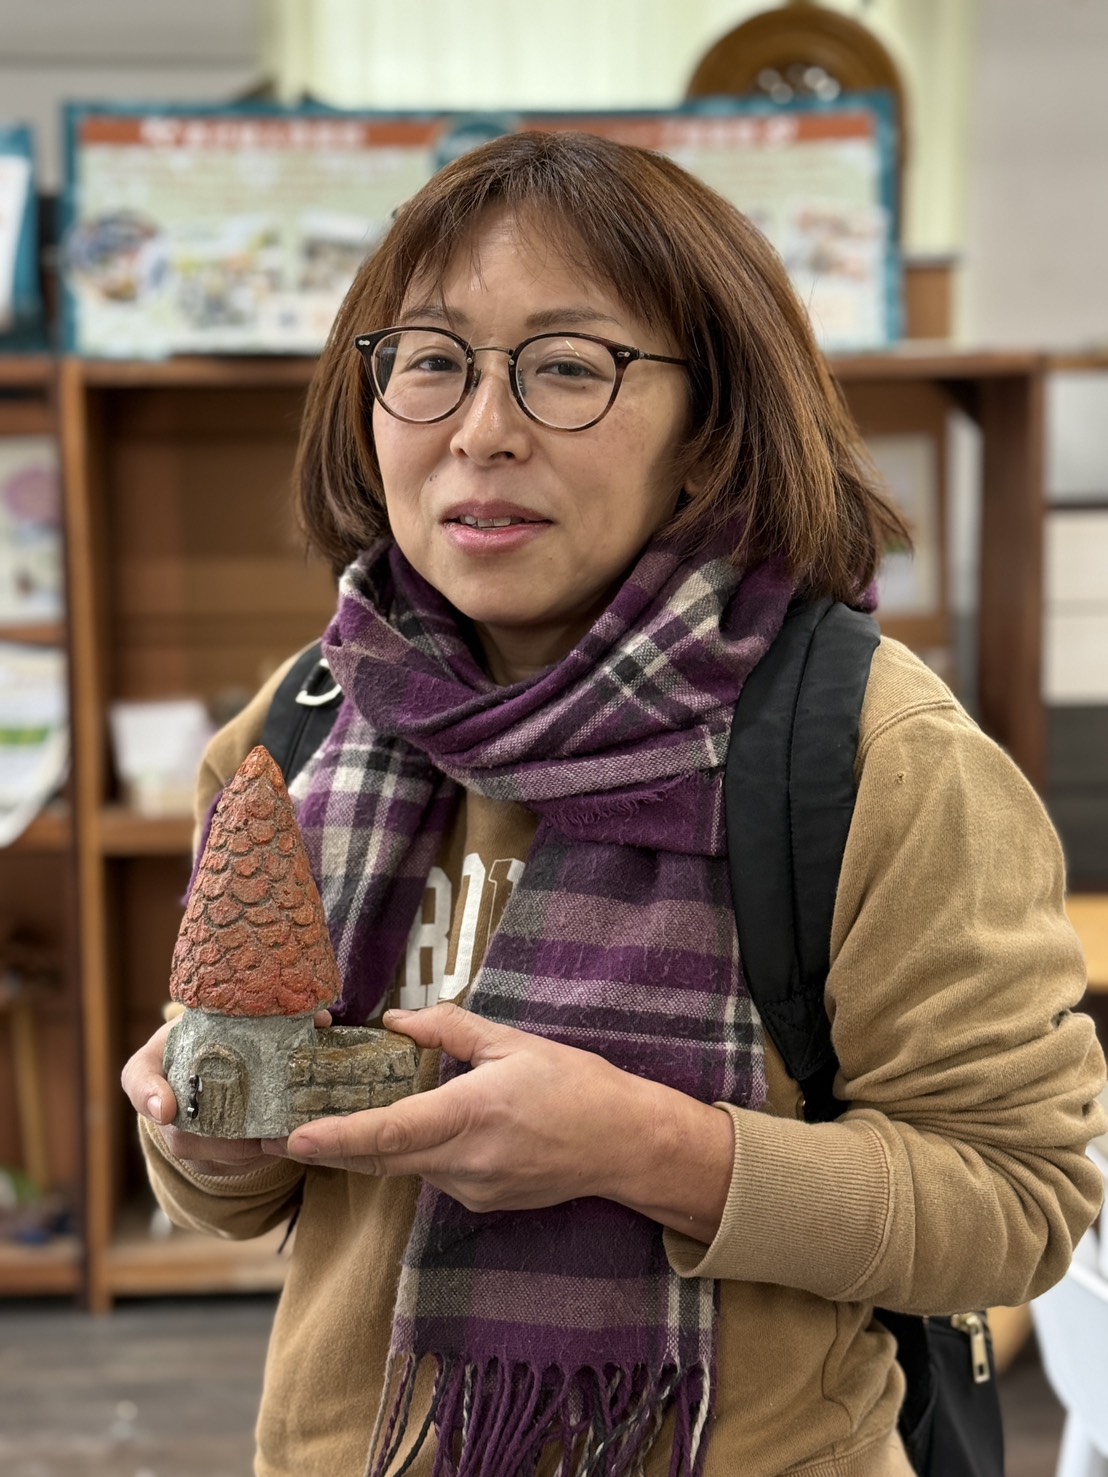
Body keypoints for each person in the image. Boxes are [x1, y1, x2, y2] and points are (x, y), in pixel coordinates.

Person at [121, 130, 1106, 1477]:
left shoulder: (875, 755)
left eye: (570, 367)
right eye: (431, 361)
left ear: (708, 435)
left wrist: (648, 1149)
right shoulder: (295, 733)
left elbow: (1019, 1201)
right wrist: (207, 1133)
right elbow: (239, 1196)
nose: (481, 429)